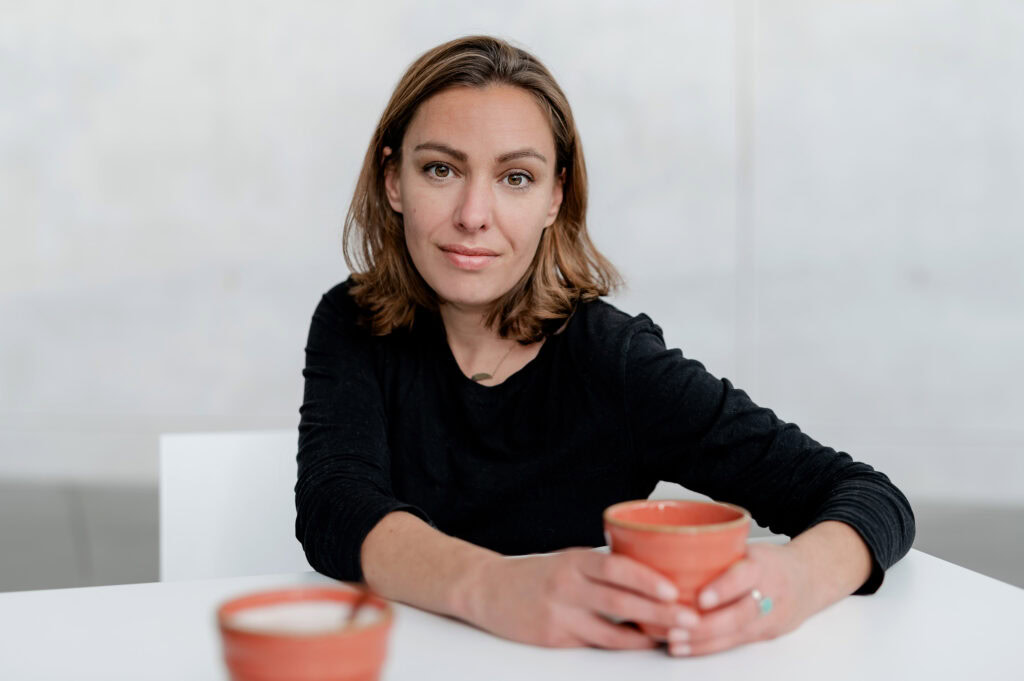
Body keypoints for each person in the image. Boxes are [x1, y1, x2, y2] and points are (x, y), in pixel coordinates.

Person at [295, 35, 915, 658]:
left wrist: (791, 583)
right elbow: (333, 508)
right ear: (393, 181)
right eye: (441, 169)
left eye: (516, 177)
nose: (473, 214)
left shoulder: (612, 358)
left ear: (554, 198)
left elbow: (867, 495)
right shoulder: (353, 320)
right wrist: (492, 587)